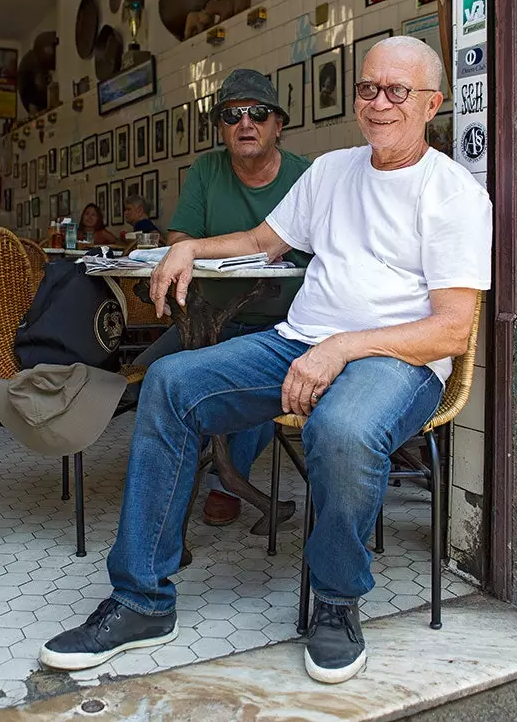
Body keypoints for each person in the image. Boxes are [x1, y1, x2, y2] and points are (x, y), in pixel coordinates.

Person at [40, 37, 492, 685]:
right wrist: (190, 246)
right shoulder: (333, 172)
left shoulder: (450, 192)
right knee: (169, 382)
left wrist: (342, 347)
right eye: (368, 88)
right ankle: (142, 600)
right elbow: (260, 240)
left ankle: (335, 603)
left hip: (398, 358)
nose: (378, 102)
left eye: (397, 91)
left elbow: (450, 330)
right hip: (300, 338)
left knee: (340, 428)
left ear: (431, 104)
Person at [133, 69, 310, 527]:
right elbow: (179, 238)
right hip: (210, 314)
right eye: (232, 115)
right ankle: (172, 488)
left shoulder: (306, 176)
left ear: (278, 125)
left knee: (254, 372)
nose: (245, 123)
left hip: (283, 320)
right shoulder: (208, 170)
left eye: (259, 113)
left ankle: (225, 479)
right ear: (221, 128)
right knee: (154, 375)